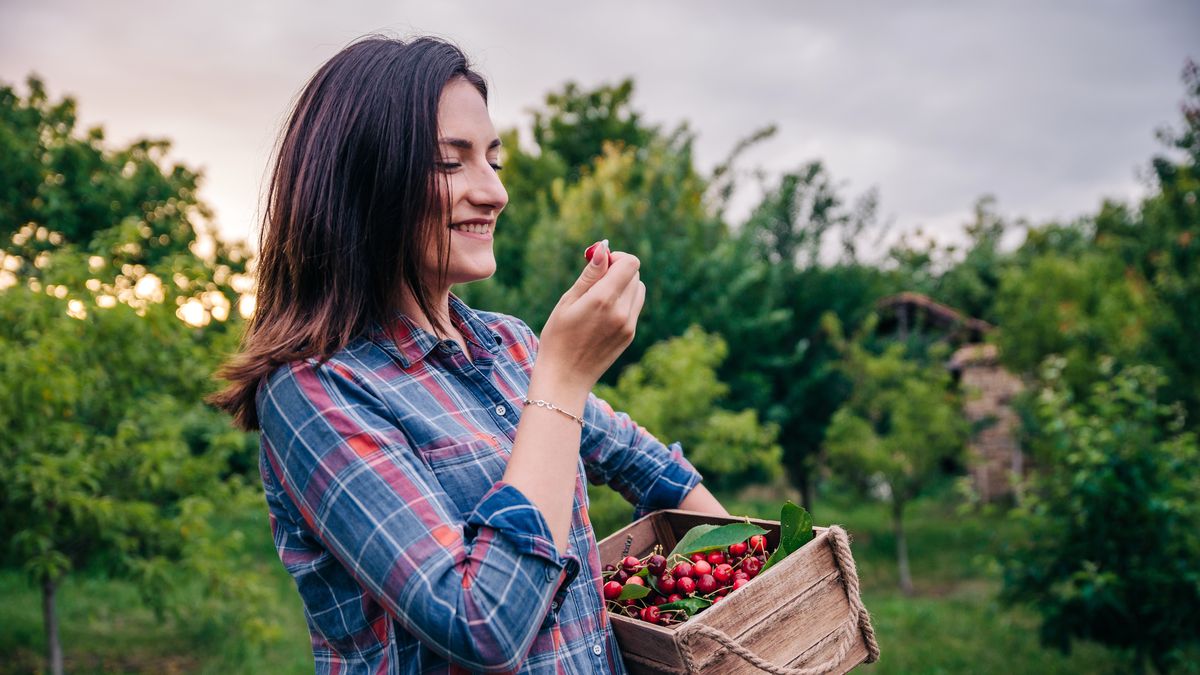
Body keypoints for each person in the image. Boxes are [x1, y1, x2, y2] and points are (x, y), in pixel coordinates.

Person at [210, 35, 729, 674]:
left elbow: (648, 467)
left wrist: (763, 585)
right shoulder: (315, 392)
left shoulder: (508, 345)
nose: (494, 193)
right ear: (362, 182)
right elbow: (480, 626)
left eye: (494, 161)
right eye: (449, 163)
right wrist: (563, 377)